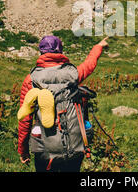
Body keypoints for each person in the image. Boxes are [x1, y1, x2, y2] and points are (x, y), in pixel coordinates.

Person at [18, 35, 109, 172]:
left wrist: (23, 150)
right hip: (74, 145)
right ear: (60, 51)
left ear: (41, 52)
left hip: (44, 149)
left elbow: (25, 119)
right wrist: (99, 46)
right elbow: (90, 64)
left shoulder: (31, 80)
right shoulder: (73, 74)